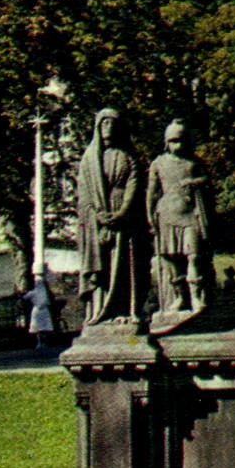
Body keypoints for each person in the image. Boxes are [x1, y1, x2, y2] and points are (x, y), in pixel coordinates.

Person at [76, 108, 151, 328]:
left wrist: (121, 213)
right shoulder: (89, 159)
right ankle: (100, 311)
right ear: (98, 128)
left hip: (124, 218)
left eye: (112, 124)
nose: (108, 128)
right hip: (96, 219)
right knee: (102, 265)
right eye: (104, 123)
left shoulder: (128, 157)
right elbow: (84, 191)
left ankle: (126, 310)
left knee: (125, 263)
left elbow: (134, 186)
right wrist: (98, 214)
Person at [147, 119, 215, 315]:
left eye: (181, 140)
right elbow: (151, 192)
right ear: (167, 142)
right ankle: (179, 297)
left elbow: (207, 181)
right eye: (174, 141)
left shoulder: (195, 163)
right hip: (167, 214)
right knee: (171, 260)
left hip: (189, 215)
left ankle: (196, 296)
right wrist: (150, 216)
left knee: (193, 256)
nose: (178, 145)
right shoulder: (158, 163)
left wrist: (194, 182)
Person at [23, 273, 54, 350]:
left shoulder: (34, 292)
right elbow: (49, 301)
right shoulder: (45, 292)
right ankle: (45, 343)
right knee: (45, 328)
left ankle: (40, 343)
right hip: (45, 311)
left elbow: (25, 297)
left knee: (39, 329)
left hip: (37, 311)